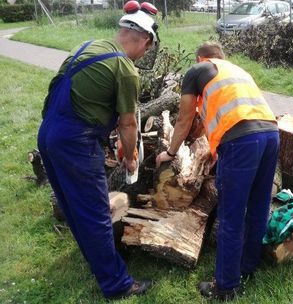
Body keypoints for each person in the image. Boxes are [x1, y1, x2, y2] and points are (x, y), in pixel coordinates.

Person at [37, 2, 159, 300]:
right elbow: (129, 124)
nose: (145, 53)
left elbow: (89, 99)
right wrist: (130, 158)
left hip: (49, 133)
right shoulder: (126, 69)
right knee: (95, 212)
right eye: (148, 47)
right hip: (76, 142)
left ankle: (97, 260)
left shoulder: (89, 46)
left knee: (72, 205)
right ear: (144, 39)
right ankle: (117, 284)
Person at [155, 41, 280, 301]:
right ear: (221, 57)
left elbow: (184, 118)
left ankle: (225, 286)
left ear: (201, 57)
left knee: (231, 214)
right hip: (270, 134)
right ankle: (247, 266)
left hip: (241, 140)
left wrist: (170, 152)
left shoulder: (197, 70)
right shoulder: (236, 71)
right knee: (258, 206)